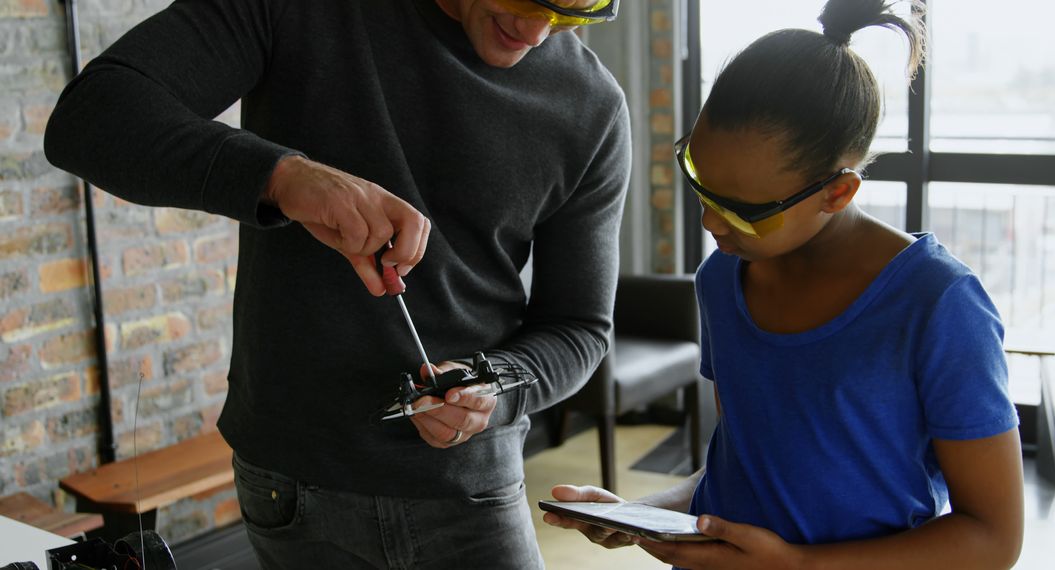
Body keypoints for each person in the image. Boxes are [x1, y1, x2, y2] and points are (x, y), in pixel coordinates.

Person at [44, 0, 630, 568]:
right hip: (288, 485)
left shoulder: (592, 107)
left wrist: (495, 390)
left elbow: (579, 328)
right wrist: (280, 177)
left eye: (569, 13)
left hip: (467, 490)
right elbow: (90, 116)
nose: (535, 31)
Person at [544, 0, 1026, 568]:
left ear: (837, 193)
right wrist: (645, 514)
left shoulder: (938, 304)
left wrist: (799, 566)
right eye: (698, 179)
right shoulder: (723, 278)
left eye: (743, 210)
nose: (710, 223)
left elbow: (993, 538)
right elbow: (743, 467)